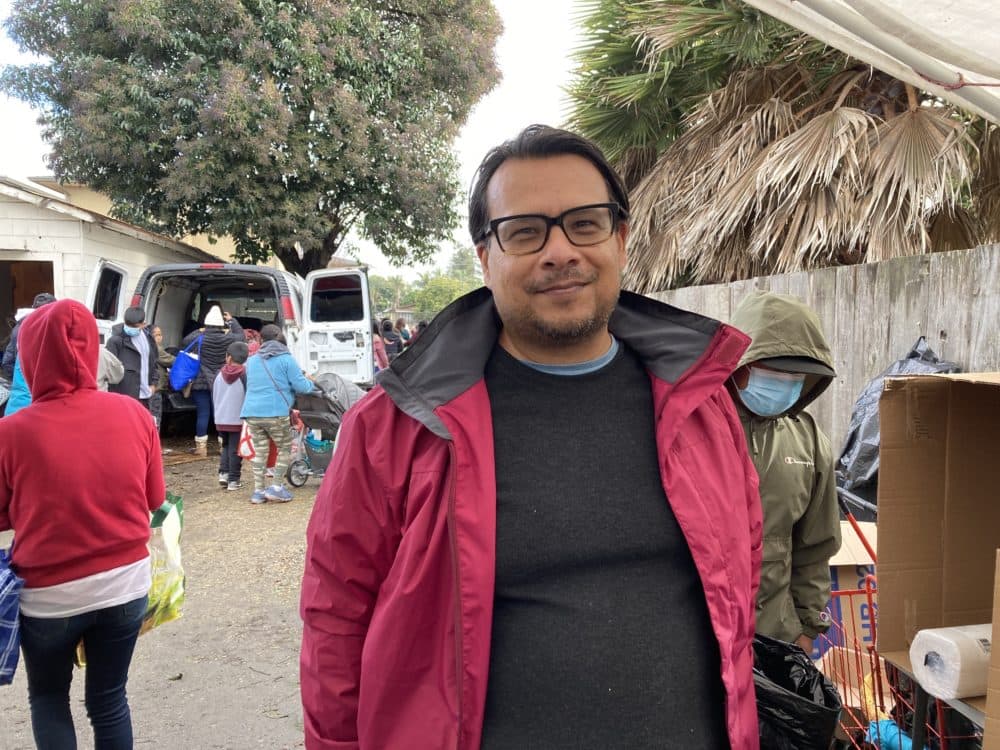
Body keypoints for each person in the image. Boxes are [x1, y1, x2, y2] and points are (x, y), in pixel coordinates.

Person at [300, 124, 762, 749]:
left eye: (586, 224)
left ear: (621, 239)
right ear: (486, 257)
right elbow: (336, 619)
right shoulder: (396, 427)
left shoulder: (701, 406)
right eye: (525, 232)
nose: (560, 251)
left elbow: (740, 571)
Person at [0, 299, 165, 748]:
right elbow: (155, 500)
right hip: (126, 584)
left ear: (31, 356)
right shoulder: (134, 414)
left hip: (49, 596)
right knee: (110, 699)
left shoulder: (12, 431)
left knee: (49, 698)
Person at [728, 290, 842, 652]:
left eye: (797, 377)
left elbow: (815, 544)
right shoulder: (697, 425)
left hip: (777, 638)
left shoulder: (807, 439)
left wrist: (806, 629)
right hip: (700, 638)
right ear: (739, 365)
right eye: (774, 373)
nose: (786, 384)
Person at [240, 324, 315, 504]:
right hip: (275, 412)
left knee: (260, 451)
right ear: (280, 338)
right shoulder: (286, 359)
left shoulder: (251, 360)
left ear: (261, 340)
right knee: (284, 448)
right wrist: (312, 383)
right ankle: (276, 487)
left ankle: (258, 492)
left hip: (252, 412)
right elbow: (302, 387)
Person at [179, 304, 244, 456]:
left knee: (203, 413)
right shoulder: (229, 338)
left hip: (200, 381)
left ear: (206, 323)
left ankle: (201, 448)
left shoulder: (199, 337)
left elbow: (185, 341)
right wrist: (232, 321)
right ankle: (223, 445)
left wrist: (201, 329)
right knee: (219, 413)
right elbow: (241, 336)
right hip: (221, 381)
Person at [212, 341, 250, 491]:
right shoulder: (245, 375)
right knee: (236, 449)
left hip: (221, 417)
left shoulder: (218, 374)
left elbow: (214, 394)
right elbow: (248, 395)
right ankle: (234, 479)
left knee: (226, 446)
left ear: (228, 357)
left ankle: (224, 473)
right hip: (238, 419)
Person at [106, 306, 159, 412]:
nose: (130, 328)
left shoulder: (149, 338)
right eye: (127, 325)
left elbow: (154, 362)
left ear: (143, 324)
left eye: (134, 326)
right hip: (124, 397)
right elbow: (109, 370)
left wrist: (154, 384)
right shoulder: (116, 340)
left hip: (145, 395)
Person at [148, 325, 175, 427]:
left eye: (161, 334)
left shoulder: (147, 346)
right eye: (157, 335)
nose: (160, 337)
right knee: (155, 417)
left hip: (150, 388)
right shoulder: (156, 348)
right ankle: (154, 440)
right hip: (156, 388)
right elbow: (171, 360)